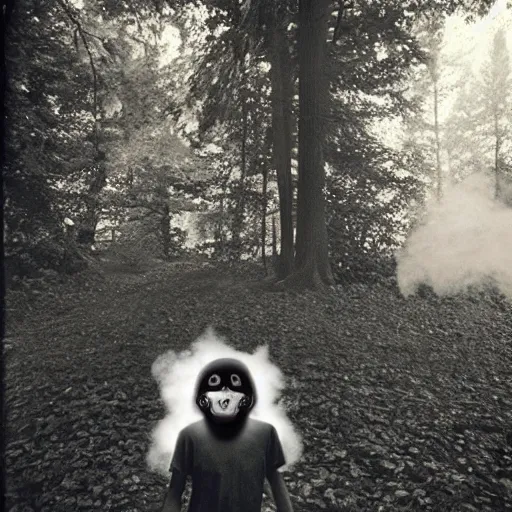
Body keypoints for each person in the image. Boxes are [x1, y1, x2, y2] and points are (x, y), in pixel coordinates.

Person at [160, 358, 294, 512]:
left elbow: (277, 483)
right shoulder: (190, 436)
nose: (225, 390)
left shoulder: (266, 434)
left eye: (233, 384)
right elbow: (175, 492)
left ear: (246, 397)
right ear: (203, 397)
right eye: (216, 384)